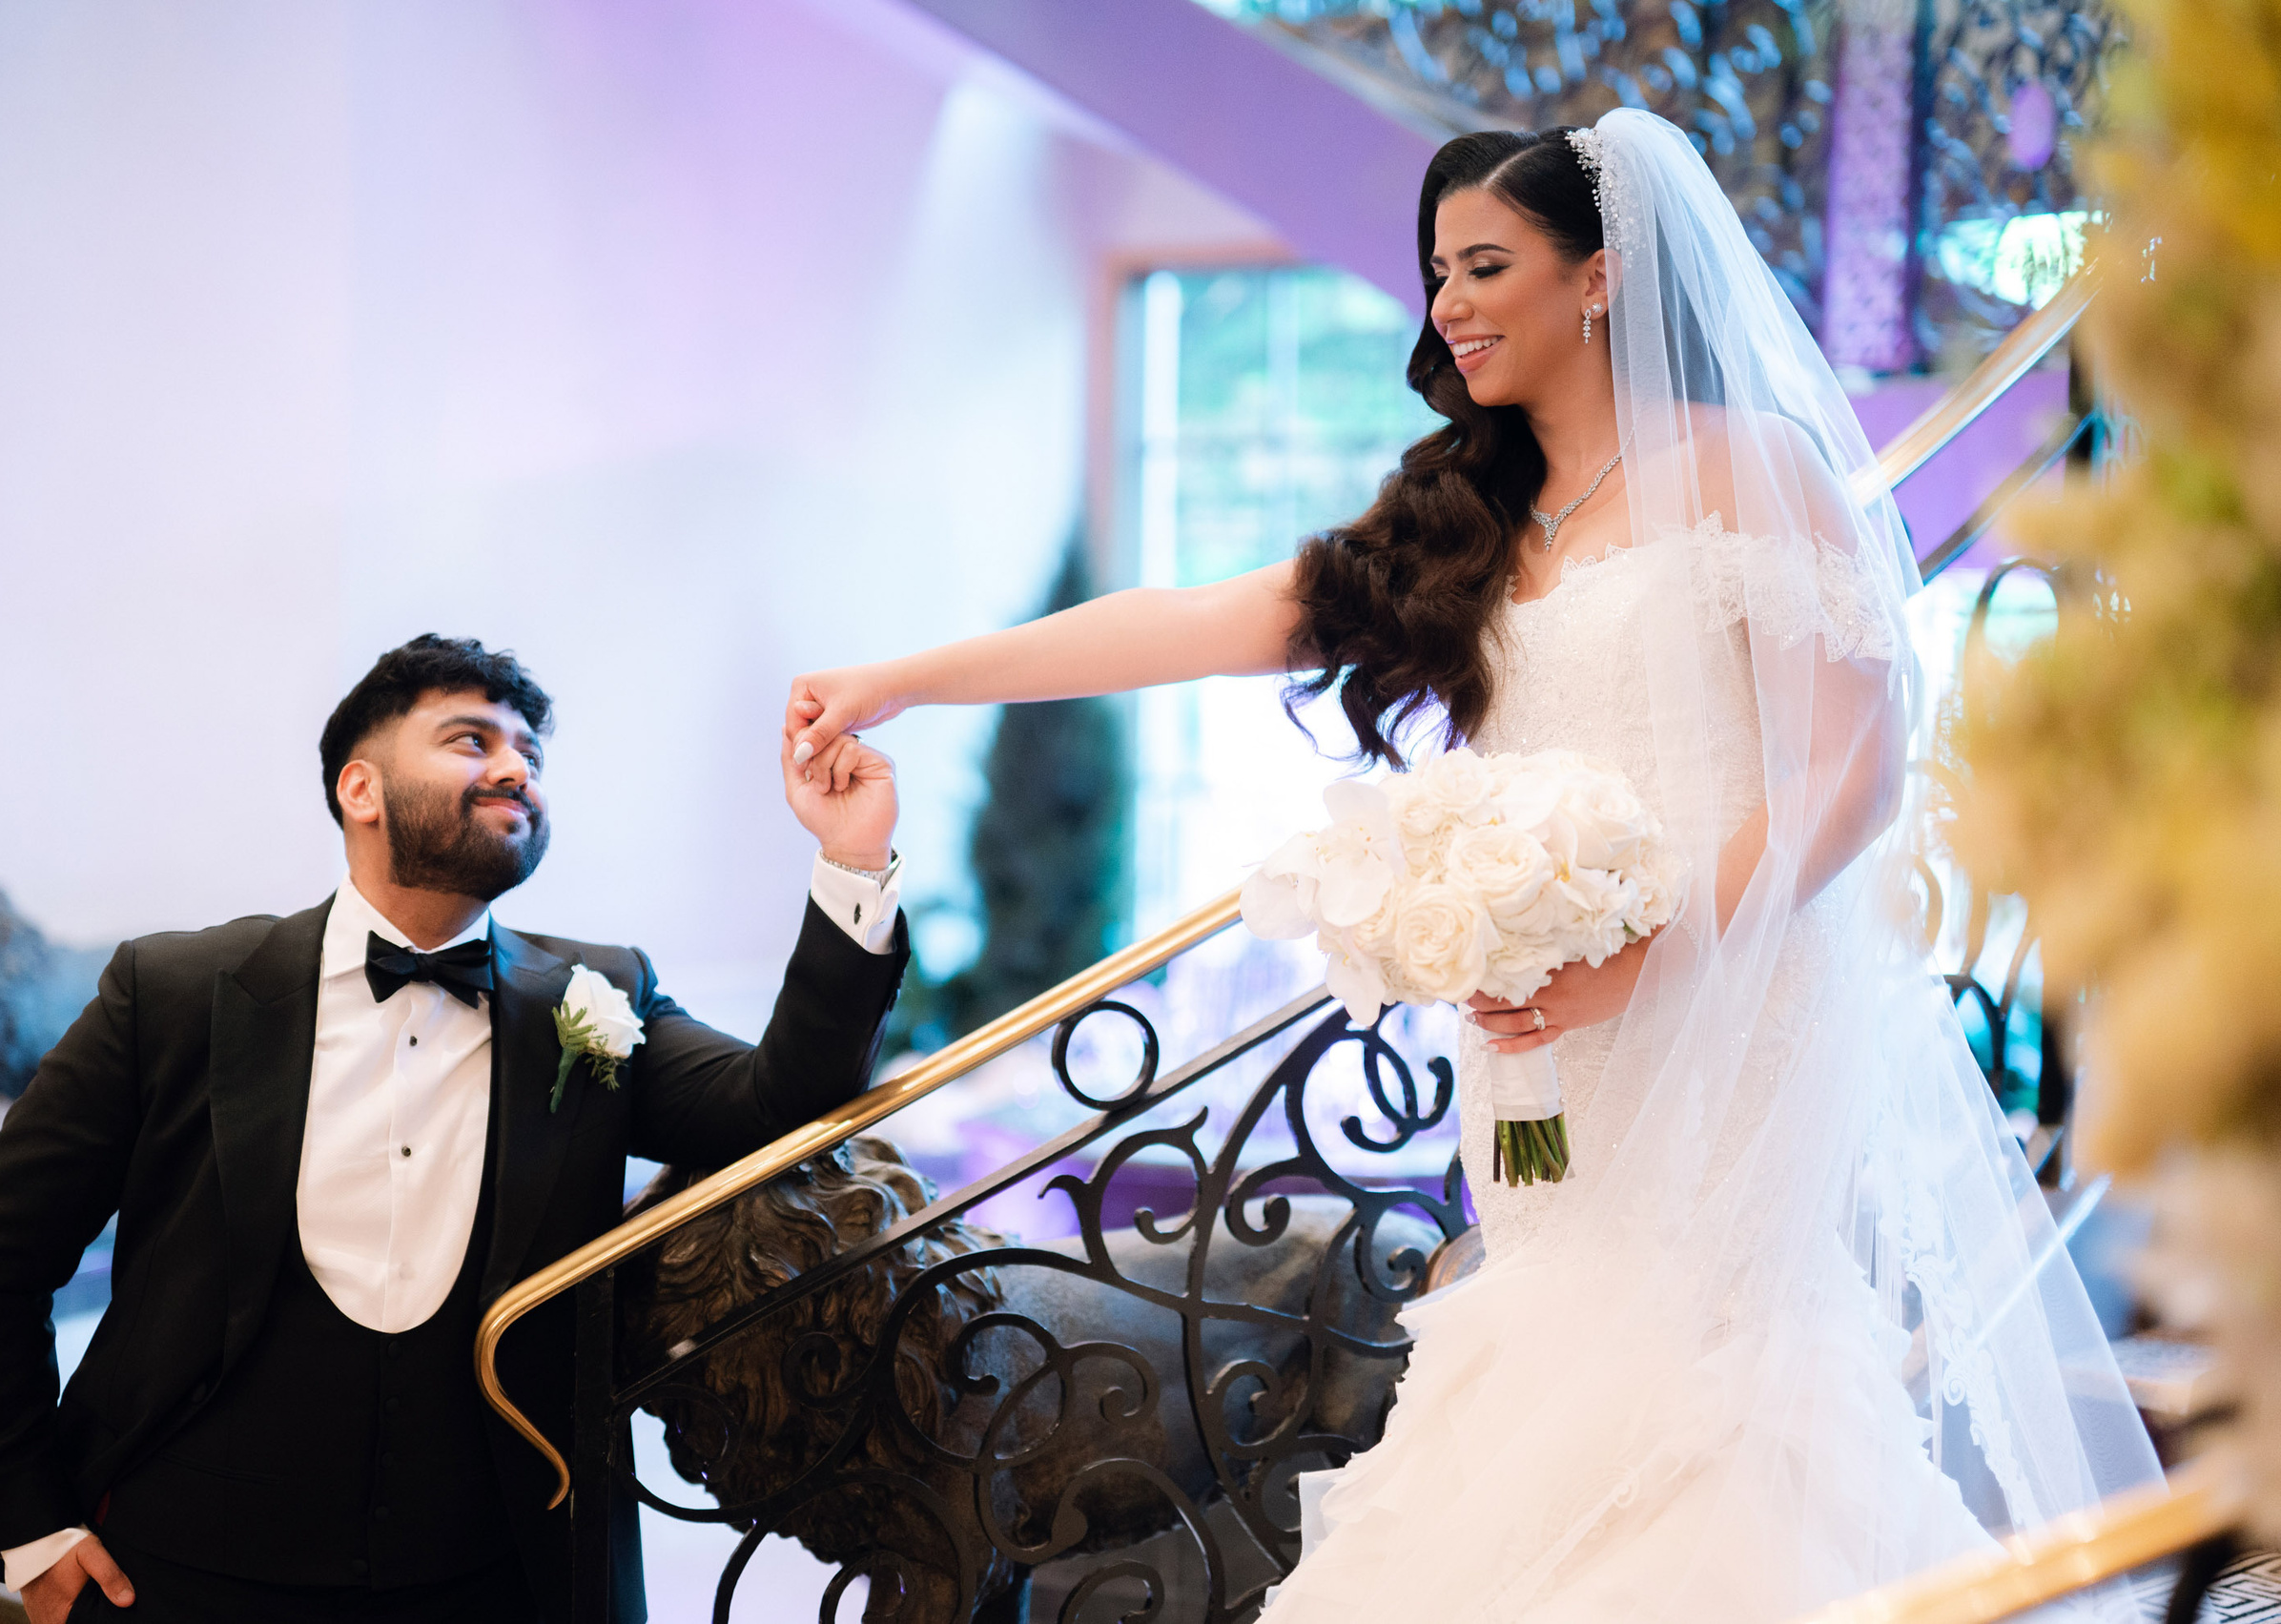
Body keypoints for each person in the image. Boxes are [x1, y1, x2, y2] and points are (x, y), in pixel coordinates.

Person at [785, 113, 2162, 1619]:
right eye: (1439, 269)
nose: (1448, 301)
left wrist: (1649, 954)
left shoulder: (1749, 468)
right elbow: (1193, 615)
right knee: (1535, 1337)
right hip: (1532, 1041)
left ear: (1599, 278)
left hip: (1718, 1010)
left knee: (1704, 1373)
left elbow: (1851, 768)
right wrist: (905, 677)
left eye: (1488, 263)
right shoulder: (1462, 519)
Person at [0, 634, 911, 1624]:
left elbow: (781, 1101)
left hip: (496, 1577)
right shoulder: (176, 993)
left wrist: (852, 856)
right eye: (470, 738)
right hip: (181, 1570)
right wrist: (28, 1524)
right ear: (361, 787)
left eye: (529, 750)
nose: (515, 767)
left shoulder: (599, 996)